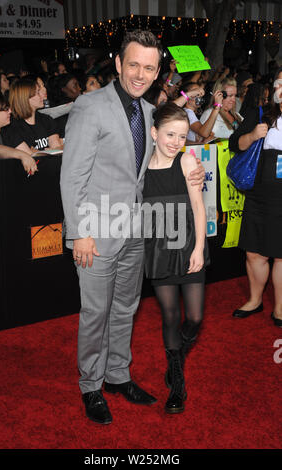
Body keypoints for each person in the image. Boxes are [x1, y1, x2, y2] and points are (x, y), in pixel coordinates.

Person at [60, 30, 205, 425]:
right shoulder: (90, 106)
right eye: (135, 64)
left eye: (150, 67)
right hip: (95, 234)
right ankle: (90, 384)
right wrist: (79, 233)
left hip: (134, 232)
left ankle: (117, 375)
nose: (141, 73)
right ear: (119, 64)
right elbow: (72, 177)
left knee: (126, 307)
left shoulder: (146, 110)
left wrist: (193, 171)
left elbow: (153, 164)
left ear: (158, 71)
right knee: (96, 312)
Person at [142, 103, 209, 413]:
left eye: (182, 136)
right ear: (154, 132)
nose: (175, 142)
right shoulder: (139, 167)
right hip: (157, 247)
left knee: (194, 318)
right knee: (170, 316)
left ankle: (176, 358)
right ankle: (177, 386)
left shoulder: (187, 161)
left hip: (189, 245)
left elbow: (198, 208)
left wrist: (198, 248)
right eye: (170, 134)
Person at [229, 67, 282, 328]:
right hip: (259, 194)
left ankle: (281, 308)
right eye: (279, 84)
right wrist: (252, 135)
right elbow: (234, 144)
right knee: (254, 253)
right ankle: (254, 299)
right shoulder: (260, 114)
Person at [1, 77, 61, 153]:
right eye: (37, 93)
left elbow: (57, 151)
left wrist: (39, 152)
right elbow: (30, 157)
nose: (42, 96)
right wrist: (47, 151)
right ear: (25, 98)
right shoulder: (12, 126)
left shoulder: (46, 120)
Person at [0, 93, 37, 174]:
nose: (10, 111)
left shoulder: (7, 131)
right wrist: (21, 155)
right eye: (6, 108)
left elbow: (29, 154)